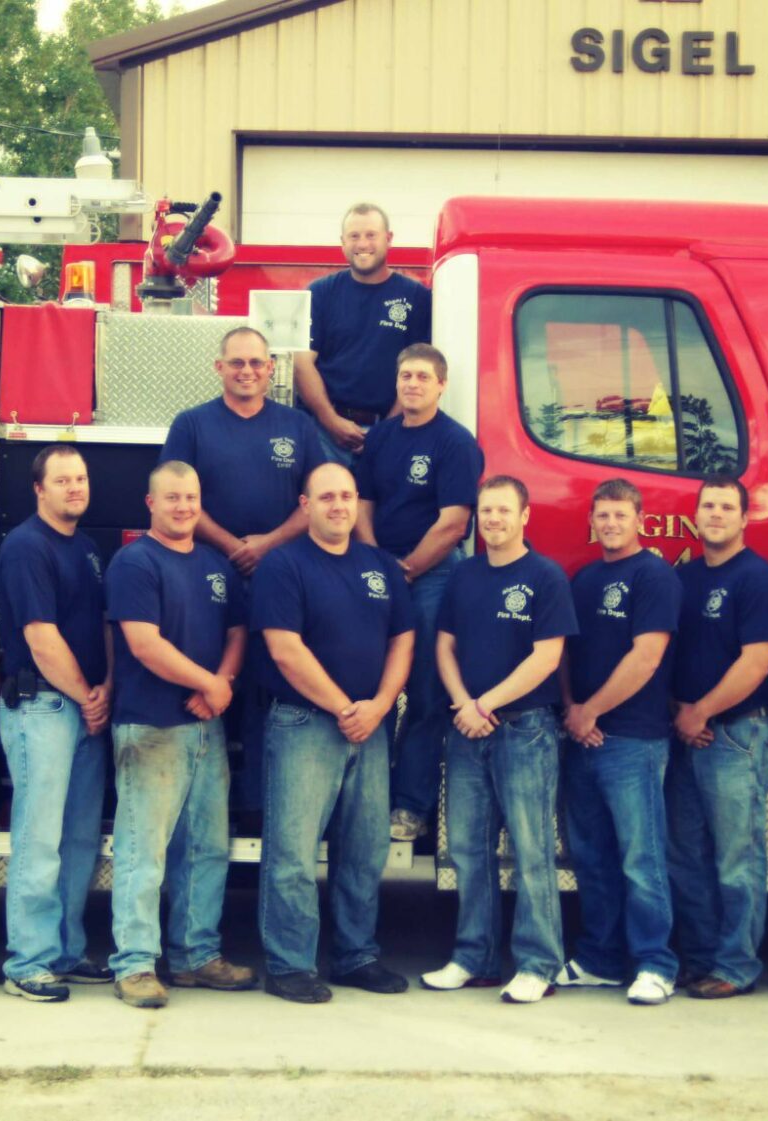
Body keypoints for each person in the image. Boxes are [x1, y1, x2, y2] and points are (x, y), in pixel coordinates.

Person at [254, 462, 416, 1004]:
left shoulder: (380, 567)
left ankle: (356, 956)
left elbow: (403, 641)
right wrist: (348, 707)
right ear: (305, 505)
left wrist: (380, 707)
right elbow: (284, 648)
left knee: (365, 850)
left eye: (347, 496)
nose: (339, 505)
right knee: (294, 853)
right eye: (326, 497)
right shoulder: (284, 565)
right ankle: (290, 964)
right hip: (305, 723)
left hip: (370, 725)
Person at [106, 461, 258, 1009]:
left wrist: (223, 683)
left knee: (206, 849)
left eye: (191, 497)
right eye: (172, 498)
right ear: (151, 503)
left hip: (203, 728)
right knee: (144, 852)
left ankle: (196, 956)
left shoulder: (216, 565)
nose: (183, 507)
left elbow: (238, 631)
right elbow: (144, 643)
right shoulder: (134, 562)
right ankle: (135, 964)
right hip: (151, 727)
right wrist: (210, 684)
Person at [421, 475, 576, 1004]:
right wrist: (465, 703)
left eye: (503, 511)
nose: (493, 520)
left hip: (525, 731)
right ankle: (474, 957)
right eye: (486, 511)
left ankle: (538, 965)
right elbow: (445, 647)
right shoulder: (464, 576)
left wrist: (485, 705)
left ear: (525, 515)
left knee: (532, 851)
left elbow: (547, 659)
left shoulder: (545, 577)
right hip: (467, 731)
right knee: (468, 850)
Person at [161, 325, 323, 816]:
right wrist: (234, 547)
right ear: (219, 368)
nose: (247, 371)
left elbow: (316, 499)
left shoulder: (298, 426)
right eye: (237, 363)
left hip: (280, 579)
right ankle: (200, 811)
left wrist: (268, 545)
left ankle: (257, 810)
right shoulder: (191, 425)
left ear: (271, 369)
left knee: (266, 692)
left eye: (256, 363)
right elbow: (178, 499)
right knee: (206, 685)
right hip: (206, 573)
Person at [0, 444, 115, 1001]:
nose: (75, 487)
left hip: (84, 709)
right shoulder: (25, 548)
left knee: (79, 840)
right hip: (42, 708)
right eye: (63, 480)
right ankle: (27, 962)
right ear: (38, 488)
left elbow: (103, 627)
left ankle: (65, 950)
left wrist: (103, 690)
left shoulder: (86, 548)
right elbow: (41, 640)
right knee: (40, 839)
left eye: (82, 478)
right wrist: (89, 696)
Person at [664, 475, 768, 1000]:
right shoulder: (684, 578)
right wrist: (681, 713)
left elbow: (757, 663)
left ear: (744, 518)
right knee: (684, 853)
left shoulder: (757, 579)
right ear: (696, 515)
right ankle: (697, 959)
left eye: (726, 507)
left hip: (739, 732)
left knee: (736, 856)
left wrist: (702, 712)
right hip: (687, 732)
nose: (715, 514)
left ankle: (736, 965)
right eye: (707, 505)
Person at [556, 479, 682, 1006]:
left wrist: (591, 710)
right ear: (593, 521)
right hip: (582, 738)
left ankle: (655, 963)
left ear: (639, 519)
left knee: (640, 856)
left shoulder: (654, 575)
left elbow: (646, 657)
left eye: (619, 515)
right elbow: (562, 650)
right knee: (591, 858)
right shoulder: (583, 579)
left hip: (633, 738)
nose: (610, 524)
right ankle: (600, 960)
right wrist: (571, 711)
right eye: (602, 516)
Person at [354, 343, 482, 844]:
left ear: (441, 385)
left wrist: (404, 570)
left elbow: (454, 524)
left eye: (423, 377)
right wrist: (375, 561)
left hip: (430, 578)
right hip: (379, 574)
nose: (412, 384)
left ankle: (410, 807)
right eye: (405, 375)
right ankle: (368, 800)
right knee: (373, 688)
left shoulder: (455, 443)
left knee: (426, 696)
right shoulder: (381, 438)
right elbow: (363, 501)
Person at [293, 202, 432, 462]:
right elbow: (302, 363)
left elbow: (421, 368)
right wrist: (331, 421)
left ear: (388, 239)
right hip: (325, 435)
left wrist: (388, 431)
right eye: (354, 236)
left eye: (371, 235)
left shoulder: (416, 297)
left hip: (392, 433)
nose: (362, 244)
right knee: (328, 503)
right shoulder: (320, 293)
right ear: (342, 242)